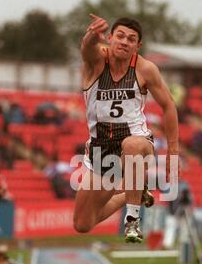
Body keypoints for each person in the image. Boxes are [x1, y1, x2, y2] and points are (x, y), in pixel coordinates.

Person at [73, 15, 179, 242]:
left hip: (137, 141)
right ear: (109, 38)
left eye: (131, 39)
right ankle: (133, 195)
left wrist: (173, 150)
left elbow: (169, 106)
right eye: (120, 36)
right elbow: (86, 49)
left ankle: (132, 222)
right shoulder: (97, 61)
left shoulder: (145, 69)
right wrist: (92, 34)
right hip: (101, 148)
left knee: (131, 144)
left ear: (137, 46)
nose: (124, 42)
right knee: (83, 223)